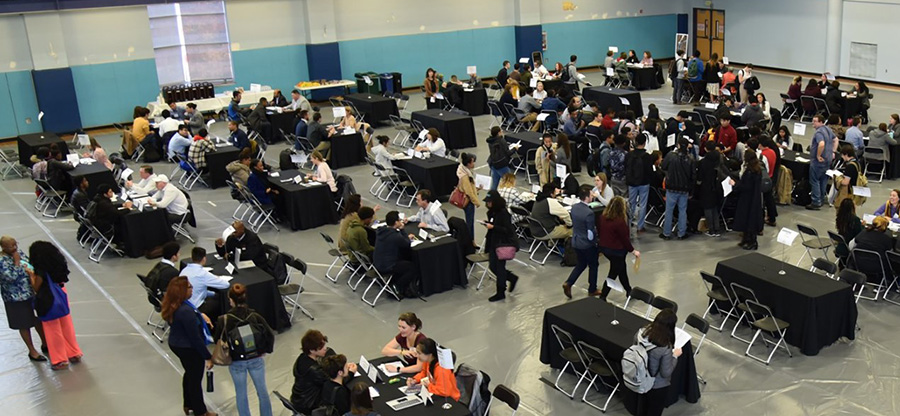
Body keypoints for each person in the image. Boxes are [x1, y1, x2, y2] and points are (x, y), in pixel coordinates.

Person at [214, 284, 275, 416]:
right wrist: (265, 350)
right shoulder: (255, 316)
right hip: (256, 359)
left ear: (230, 299)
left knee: (241, 394)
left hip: (237, 361)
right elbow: (269, 334)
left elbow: (217, 340)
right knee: (262, 391)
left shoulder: (224, 320)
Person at [160, 276, 214, 416]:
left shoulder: (175, 305)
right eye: (189, 287)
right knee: (195, 379)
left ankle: (188, 404)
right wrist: (207, 356)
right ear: (182, 291)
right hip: (188, 348)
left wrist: (200, 315)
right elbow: (195, 338)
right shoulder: (186, 312)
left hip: (177, 343)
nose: (192, 289)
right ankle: (200, 411)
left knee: (189, 374)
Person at [29, 241, 83, 370]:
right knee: (66, 324)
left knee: (52, 329)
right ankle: (74, 353)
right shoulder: (59, 265)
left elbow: (36, 287)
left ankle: (60, 360)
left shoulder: (41, 270)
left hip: (47, 298)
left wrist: (31, 275)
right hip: (61, 293)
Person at [0, 236, 47, 362]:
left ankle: (45, 343)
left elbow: (29, 265)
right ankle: (32, 350)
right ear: (3, 247)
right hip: (15, 298)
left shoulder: (18, 253)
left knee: (38, 319)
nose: (15, 248)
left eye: (16, 244)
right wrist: (16, 263)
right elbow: (10, 278)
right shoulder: (2, 261)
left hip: (30, 293)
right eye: (11, 246)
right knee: (24, 324)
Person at [629, 309, 681, 416]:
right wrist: (675, 356)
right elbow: (665, 372)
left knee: (641, 408)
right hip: (657, 385)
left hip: (640, 378)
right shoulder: (665, 347)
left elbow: (634, 348)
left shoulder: (641, 333)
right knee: (654, 411)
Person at [562, 185, 600, 298]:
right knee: (593, 265)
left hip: (576, 241)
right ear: (587, 197)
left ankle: (569, 283)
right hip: (586, 244)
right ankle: (592, 289)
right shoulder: (589, 213)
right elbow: (590, 234)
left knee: (581, 264)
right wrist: (596, 242)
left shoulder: (574, 207)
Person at [597, 197, 638, 300]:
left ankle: (629, 290)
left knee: (621, 269)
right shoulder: (619, 222)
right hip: (617, 251)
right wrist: (633, 251)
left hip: (605, 249)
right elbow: (624, 239)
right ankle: (603, 296)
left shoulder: (602, 217)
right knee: (613, 274)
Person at [483, 191, 518, 302]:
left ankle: (500, 291)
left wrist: (493, 227)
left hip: (502, 243)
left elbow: (507, 230)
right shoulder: (491, 213)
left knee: (499, 267)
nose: (488, 204)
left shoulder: (503, 213)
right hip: (494, 242)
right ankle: (511, 278)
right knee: (493, 266)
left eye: (489, 202)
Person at [373, 211, 418, 297]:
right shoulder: (395, 236)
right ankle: (397, 285)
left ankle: (393, 282)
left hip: (377, 262)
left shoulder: (381, 231)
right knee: (412, 267)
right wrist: (402, 230)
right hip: (387, 265)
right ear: (396, 222)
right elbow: (406, 244)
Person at [659, 138, 696, 240]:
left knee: (669, 210)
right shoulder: (691, 158)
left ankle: (666, 233)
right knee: (682, 211)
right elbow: (693, 176)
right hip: (684, 189)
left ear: (678, 145)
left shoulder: (671, 156)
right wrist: (691, 190)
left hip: (671, 188)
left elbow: (663, 166)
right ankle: (681, 233)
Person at [180, 247, 229, 319]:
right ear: (204, 259)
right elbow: (225, 285)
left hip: (185, 304)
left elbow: (198, 289)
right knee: (221, 303)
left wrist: (213, 294)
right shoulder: (202, 273)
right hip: (197, 307)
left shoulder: (184, 271)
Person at [291, 330, 333, 413]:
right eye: (321, 348)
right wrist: (349, 372)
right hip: (309, 405)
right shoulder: (314, 370)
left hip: (298, 399)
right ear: (312, 350)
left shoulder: (302, 358)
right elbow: (332, 379)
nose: (325, 348)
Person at [730, 150, 764, 250]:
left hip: (747, 198)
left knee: (748, 219)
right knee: (750, 219)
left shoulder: (750, 172)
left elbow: (745, 186)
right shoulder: (757, 169)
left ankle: (752, 241)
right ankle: (747, 239)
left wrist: (735, 184)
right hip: (754, 198)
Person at [625, 133, 654, 234]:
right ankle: (640, 227)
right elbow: (650, 171)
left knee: (631, 203)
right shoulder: (647, 156)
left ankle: (628, 223)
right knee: (642, 204)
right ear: (645, 143)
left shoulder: (629, 155)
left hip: (631, 183)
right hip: (644, 182)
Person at [806, 114, 836, 210]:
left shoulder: (819, 133)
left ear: (820, 122)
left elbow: (821, 144)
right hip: (828, 160)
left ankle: (816, 202)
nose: (812, 123)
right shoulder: (828, 129)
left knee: (815, 180)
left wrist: (818, 155)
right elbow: (836, 140)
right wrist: (833, 152)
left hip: (818, 162)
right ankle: (822, 199)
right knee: (823, 180)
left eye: (815, 121)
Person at [698, 141, 726, 237]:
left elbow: (700, 176)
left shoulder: (703, 162)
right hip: (718, 186)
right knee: (715, 207)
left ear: (706, 149)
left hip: (707, 187)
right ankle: (717, 228)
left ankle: (711, 229)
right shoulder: (720, 158)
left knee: (708, 208)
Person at [457, 153, 482, 238]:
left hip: (467, 199)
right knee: (470, 223)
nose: (474, 164)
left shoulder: (463, 170)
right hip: (468, 202)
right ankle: (470, 240)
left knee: (469, 222)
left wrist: (477, 188)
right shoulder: (465, 176)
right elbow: (469, 192)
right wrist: (477, 202)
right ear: (468, 164)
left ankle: (471, 240)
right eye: (472, 162)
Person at [834, 199, 862, 268]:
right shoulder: (855, 220)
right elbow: (859, 234)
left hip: (841, 245)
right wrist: (862, 225)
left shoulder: (839, 218)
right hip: (849, 246)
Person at [833, 144, 860, 211]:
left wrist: (838, 179)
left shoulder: (850, 166)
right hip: (855, 190)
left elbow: (845, 182)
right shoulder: (857, 163)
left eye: (842, 155)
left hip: (848, 193)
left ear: (846, 154)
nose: (842, 157)